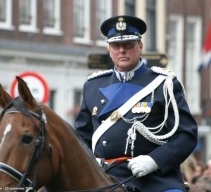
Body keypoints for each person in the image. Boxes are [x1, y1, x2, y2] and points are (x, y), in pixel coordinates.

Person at [74, 15, 198, 192]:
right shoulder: (93, 86)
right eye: (116, 46)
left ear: (140, 46)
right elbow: (81, 138)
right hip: (104, 177)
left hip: (154, 179)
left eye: (129, 45)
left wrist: (155, 161)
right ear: (110, 49)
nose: (122, 50)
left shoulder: (164, 84)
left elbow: (187, 135)